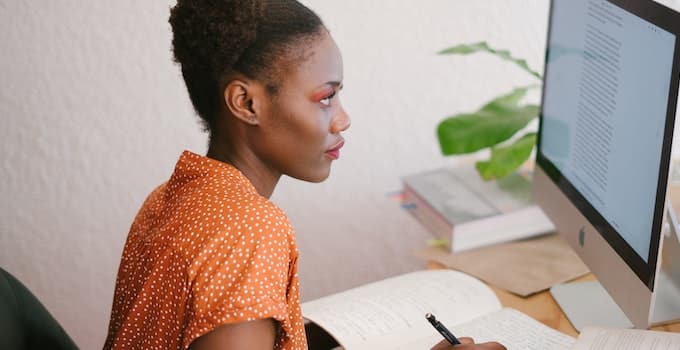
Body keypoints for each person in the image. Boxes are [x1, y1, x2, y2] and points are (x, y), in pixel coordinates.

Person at [103, 1, 507, 349]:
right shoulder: (249, 231)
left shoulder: (171, 196)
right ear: (246, 103)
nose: (343, 119)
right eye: (326, 97)